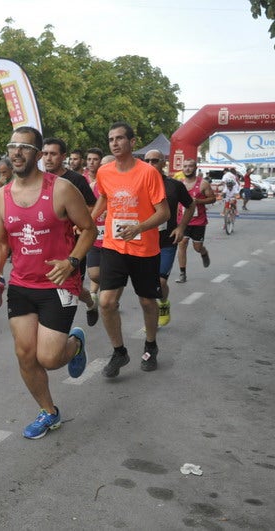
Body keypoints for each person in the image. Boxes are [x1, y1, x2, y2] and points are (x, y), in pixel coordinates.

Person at [0, 126, 95, 439]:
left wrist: (72, 261)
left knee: (49, 358)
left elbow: (89, 229)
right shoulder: (1, 195)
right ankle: (49, 412)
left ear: (38, 153)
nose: (17, 152)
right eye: (12, 146)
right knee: (25, 353)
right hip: (21, 283)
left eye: (25, 147)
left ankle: (75, 344)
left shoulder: (60, 189)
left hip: (58, 283)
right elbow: (1, 241)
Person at [90, 122, 169, 376]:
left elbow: (164, 213)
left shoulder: (148, 173)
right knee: (106, 300)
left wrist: (139, 227)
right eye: (111, 139)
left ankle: (151, 345)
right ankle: (119, 352)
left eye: (120, 138)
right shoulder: (104, 172)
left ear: (132, 142)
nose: (114, 143)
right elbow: (104, 197)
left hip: (144, 248)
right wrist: (89, 220)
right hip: (114, 246)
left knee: (147, 301)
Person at [41, 138, 100, 326]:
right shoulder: (39, 180)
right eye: (45, 154)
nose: (48, 158)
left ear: (63, 156)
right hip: (46, 243)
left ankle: (89, 304)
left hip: (74, 245)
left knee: (71, 287)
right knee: (50, 285)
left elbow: (93, 205)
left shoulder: (76, 180)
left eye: (53, 154)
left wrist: (79, 220)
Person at [143, 150, 194, 327]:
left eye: (154, 160)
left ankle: (163, 304)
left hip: (167, 241)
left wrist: (181, 227)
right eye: (146, 160)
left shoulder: (174, 186)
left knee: (161, 281)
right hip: (143, 243)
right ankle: (151, 320)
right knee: (148, 286)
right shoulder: (139, 184)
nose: (150, 164)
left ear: (163, 162)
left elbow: (191, 205)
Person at [175, 159, 215, 283]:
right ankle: (182, 274)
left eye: (190, 166)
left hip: (198, 221)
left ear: (195, 168)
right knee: (182, 244)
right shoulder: (179, 184)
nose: (187, 168)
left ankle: (203, 252)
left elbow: (213, 198)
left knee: (197, 247)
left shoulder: (203, 184)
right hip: (183, 221)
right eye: (185, 166)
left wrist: (198, 201)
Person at [84, 147, 105, 311]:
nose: (92, 162)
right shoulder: (89, 184)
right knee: (94, 273)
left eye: (95, 159)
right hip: (94, 232)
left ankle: (104, 294)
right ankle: (98, 293)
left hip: (113, 236)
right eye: (89, 159)